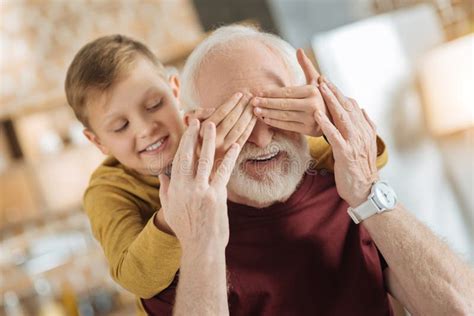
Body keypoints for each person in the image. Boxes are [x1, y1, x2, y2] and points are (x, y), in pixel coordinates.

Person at [145, 25, 474, 315]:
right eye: (236, 120)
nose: (261, 139)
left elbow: (461, 308)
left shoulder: (349, 196)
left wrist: (366, 187)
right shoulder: (174, 241)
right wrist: (202, 244)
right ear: (195, 128)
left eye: (278, 110)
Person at [64, 34, 387, 314]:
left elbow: (365, 159)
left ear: (174, 90)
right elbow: (136, 277)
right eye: (120, 126)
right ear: (97, 142)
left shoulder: (219, 132)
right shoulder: (108, 191)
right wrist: (178, 213)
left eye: (154, 105)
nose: (147, 128)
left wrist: (328, 124)